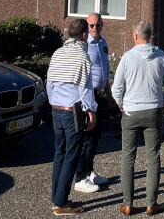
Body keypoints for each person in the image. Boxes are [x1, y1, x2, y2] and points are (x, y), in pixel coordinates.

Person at [111, 20, 164, 216]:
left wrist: (121, 104)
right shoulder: (162, 56)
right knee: (152, 158)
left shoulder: (127, 58)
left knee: (128, 158)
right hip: (154, 110)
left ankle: (128, 203)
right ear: (150, 36)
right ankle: (151, 203)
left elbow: (116, 88)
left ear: (135, 35)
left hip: (131, 111)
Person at [46, 19, 98, 216]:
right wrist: (91, 112)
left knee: (59, 153)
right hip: (72, 111)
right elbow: (85, 90)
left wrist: (53, 103)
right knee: (72, 155)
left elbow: (49, 83)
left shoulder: (58, 53)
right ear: (84, 35)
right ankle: (61, 204)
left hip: (56, 108)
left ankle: (57, 198)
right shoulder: (83, 57)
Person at [73, 12, 110, 193]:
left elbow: (105, 71)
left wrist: (110, 95)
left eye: (98, 25)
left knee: (95, 137)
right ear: (87, 27)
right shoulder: (83, 46)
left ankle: (90, 171)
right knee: (86, 137)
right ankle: (80, 177)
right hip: (86, 96)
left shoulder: (103, 43)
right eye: (92, 26)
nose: (95, 29)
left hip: (98, 96)